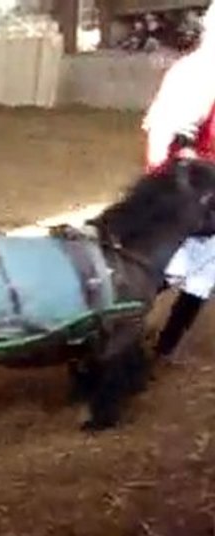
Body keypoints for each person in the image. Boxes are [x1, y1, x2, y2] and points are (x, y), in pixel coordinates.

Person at [143, 3, 215, 361]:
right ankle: (149, 341)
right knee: (176, 268)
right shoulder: (203, 72)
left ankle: (163, 343)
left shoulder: (195, 68)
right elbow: (175, 138)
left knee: (193, 269)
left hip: (184, 184)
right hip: (189, 189)